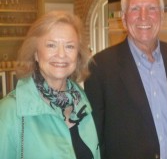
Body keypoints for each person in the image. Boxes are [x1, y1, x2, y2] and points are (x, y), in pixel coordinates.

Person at [84, 0, 167, 159]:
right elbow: (94, 138)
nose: (143, 16)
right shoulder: (100, 67)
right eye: (135, 8)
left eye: (151, 8)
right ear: (123, 18)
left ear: (161, 15)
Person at [0, 11, 101, 159]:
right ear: (35, 53)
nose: (61, 54)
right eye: (51, 45)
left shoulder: (83, 101)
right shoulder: (10, 111)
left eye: (70, 46)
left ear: (78, 54)